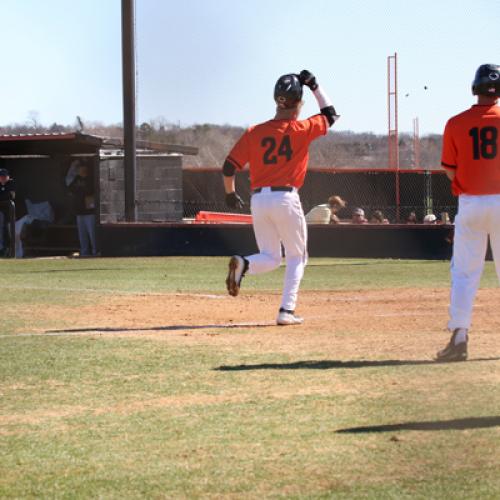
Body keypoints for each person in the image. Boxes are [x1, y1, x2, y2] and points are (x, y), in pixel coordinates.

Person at [222, 70, 338, 325]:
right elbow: (331, 115)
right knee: (298, 256)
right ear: (298, 103)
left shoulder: (254, 131)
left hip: (258, 200)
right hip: (285, 198)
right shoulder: (301, 128)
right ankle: (287, 310)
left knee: (272, 257)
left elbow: (228, 167)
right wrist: (315, 86)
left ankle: (243, 264)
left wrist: (230, 195)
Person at [436, 63, 500, 362]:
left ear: (475, 87)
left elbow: (449, 170)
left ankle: (459, 337)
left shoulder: (456, 122)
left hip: (471, 203)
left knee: (464, 273)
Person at [68, 161, 97, 257]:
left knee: (92, 235)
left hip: (89, 212)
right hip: (79, 212)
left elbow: (89, 191)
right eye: (78, 168)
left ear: (85, 169)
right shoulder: (76, 179)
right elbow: (69, 186)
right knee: (82, 236)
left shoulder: (91, 179)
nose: (79, 169)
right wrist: (72, 168)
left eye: (80, 167)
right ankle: (84, 253)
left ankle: (95, 252)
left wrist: (80, 191)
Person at [0, 168, 15, 256]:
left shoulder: (11, 183)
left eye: (4, 176)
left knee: (11, 232)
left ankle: (10, 250)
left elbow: (11, 196)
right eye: (1, 176)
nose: (3, 178)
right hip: (1, 212)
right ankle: (2, 249)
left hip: (12, 213)